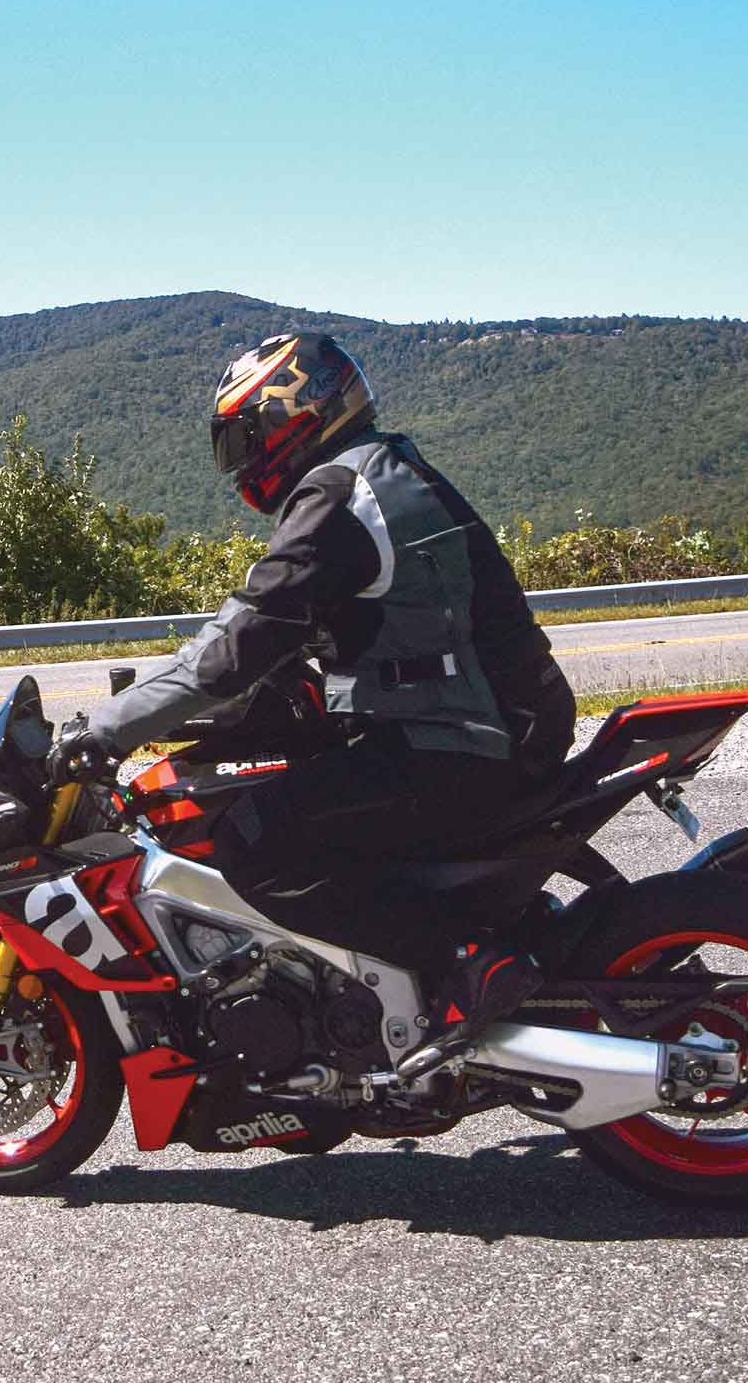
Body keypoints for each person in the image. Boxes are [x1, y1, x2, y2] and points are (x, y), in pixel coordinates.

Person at [47, 331, 577, 1058]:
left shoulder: (339, 495)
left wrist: (109, 727)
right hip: (485, 728)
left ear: (291, 414)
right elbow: (314, 635)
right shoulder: (377, 470)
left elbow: (240, 642)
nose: (243, 457)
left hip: (459, 746)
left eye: (247, 435)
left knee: (257, 838)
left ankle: (460, 968)